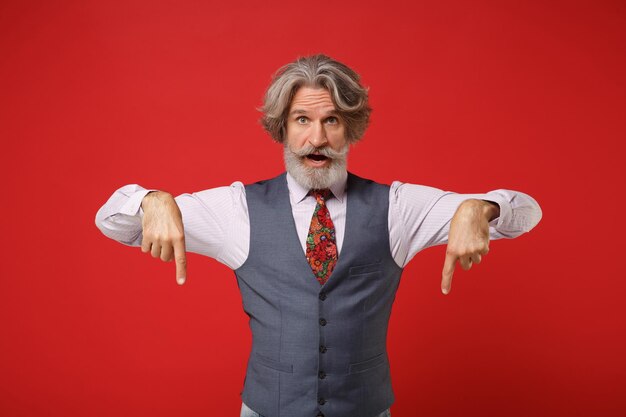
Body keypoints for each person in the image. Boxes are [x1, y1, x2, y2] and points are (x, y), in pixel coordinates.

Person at [95, 54, 542, 417]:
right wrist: (150, 200)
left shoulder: (399, 207)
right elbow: (113, 223)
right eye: (302, 120)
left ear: (351, 129)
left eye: (331, 121)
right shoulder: (237, 209)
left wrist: (479, 207)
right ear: (282, 129)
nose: (317, 138)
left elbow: (526, 212)